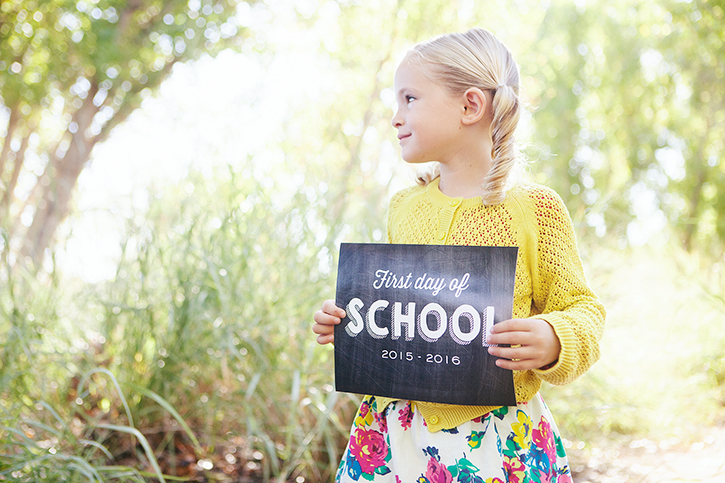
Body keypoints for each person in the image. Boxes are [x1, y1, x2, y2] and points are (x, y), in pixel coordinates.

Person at [312, 28, 605, 483]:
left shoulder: (534, 210)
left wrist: (554, 337)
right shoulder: (403, 208)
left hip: (495, 440)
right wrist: (350, 322)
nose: (395, 116)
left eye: (410, 98)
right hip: (394, 435)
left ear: (470, 105)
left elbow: (584, 308)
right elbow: (396, 307)